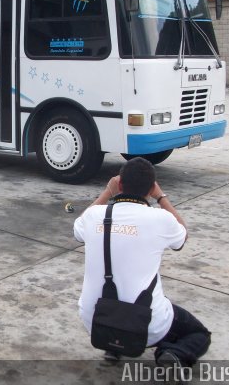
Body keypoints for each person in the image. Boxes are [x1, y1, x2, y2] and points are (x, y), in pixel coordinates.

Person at [74, 157, 211, 369]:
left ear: (119, 185)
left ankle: (114, 346)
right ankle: (171, 353)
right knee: (199, 333)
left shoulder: (94, 215)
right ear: (151, 188)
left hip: (94, 319)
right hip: (147, 323)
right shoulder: (160, 219)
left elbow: (78, 228)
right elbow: (182, 236)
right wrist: (161, 197)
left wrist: (107, 192)